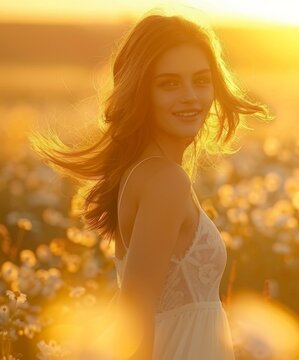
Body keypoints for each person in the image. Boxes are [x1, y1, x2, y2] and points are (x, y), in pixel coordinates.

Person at [29, 8, 272, 359]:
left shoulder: (148, 173)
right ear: (141, 91)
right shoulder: (164, 181)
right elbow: (135, 317)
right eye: (169, 83)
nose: (190, 95)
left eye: (201, 80)